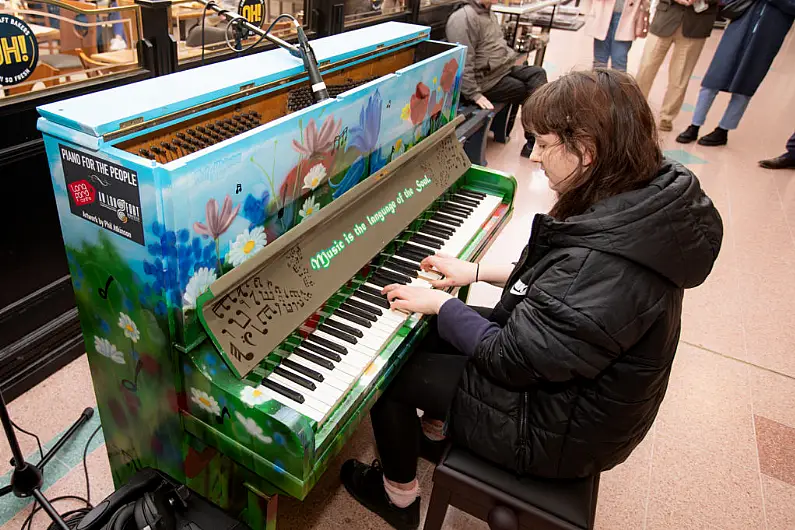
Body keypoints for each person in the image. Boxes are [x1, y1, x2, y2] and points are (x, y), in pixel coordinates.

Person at [340, 69, 723, 530]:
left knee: (390, 377)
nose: (535, 156)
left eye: (543, 143)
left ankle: (397, 497)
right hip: (572, 386)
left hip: (560, 428)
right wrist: (476, 271)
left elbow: (511, 358)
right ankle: (436, 428)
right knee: (425, 332)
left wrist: (441, 305)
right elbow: (553, 292)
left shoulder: (604, 266)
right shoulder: (637, 198)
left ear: (587, 150)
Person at [676, 0, 795, 146]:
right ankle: (694, 125)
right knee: (712, 79)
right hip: (738, 28)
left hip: (767, 38)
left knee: (745, 85)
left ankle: (723, 130)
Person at [446, 0, 548, 158]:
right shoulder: (462, 18)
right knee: (525, 91)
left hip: (502, 69)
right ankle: (535, 142)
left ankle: (539, 137)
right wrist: (474, 94)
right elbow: (461, 61)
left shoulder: (488, 13)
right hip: (484, 80)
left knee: (538, 73)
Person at [634, 0, 720, 131]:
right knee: (646, 68)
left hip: (696, 24)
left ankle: (667, 117)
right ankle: (634, 109)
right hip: (665, 17)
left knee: (680, 75)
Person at [585, 0, 650, 72]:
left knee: (619, 60)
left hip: (628, 15)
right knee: (600, 61)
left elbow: (647, 4)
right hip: (603, 12)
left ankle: (617, 82)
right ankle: (598, 82)